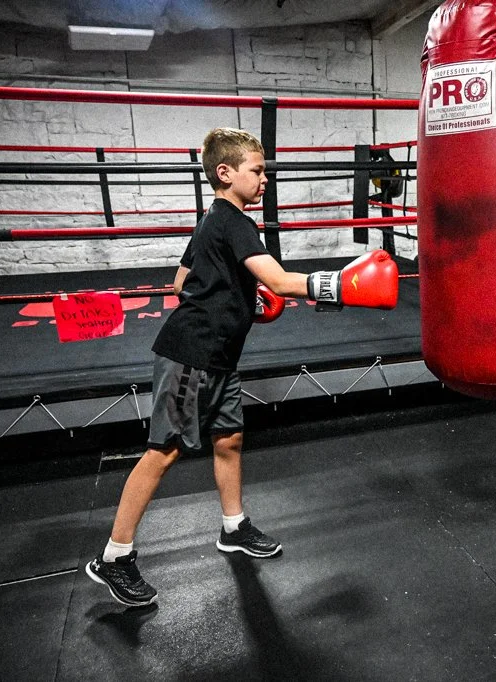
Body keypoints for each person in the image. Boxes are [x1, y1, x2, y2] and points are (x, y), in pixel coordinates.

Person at [86, 127, 398, 607]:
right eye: (257, 171)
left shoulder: (214, 220)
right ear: (225, 172)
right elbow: (280, 280)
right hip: (191, 355)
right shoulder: (233, 221)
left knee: (228, 439)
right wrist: (344, 284)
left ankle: (233, 527)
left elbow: (180, 281)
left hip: (220, 357)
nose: (265, 179)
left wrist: (241, 301)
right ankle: (114, 555)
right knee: (163, 451)